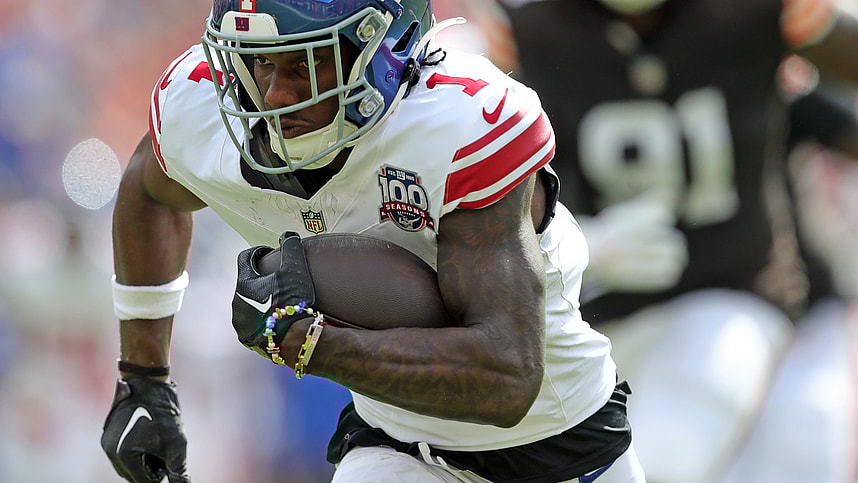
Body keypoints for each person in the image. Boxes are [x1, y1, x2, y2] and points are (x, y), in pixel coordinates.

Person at [98, 1, 646, 482]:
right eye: (261, 62)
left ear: (383, 48)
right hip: (393, 440)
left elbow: (507, 379)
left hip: (557, 450)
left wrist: (309, 345)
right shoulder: (200, 110)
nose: (275, 95)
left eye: (306, 64)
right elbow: (149, 191)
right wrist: (143, 379)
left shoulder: (459, 124)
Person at [500, 0, 858, 482]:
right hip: (584, 312)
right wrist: (577, 245)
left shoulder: (754, 14)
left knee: (671, 451)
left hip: (731, 292)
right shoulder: (525, 29)